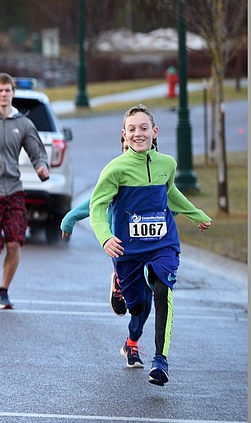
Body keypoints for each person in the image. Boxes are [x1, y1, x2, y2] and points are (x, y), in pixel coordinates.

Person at [89, 104, 211, 386]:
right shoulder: (115, 169)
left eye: (144, 128)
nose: (138, 133)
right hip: (128, 248)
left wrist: (196, 215)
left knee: (161, 288)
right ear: (124, 135)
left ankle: (161, 361)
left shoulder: (167, 164)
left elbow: (171, 193)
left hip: (162, 243)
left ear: (155, 132)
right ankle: (121, 288)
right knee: (138, 305)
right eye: (132, 129)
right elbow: (97, 206)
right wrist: (105, 237)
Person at [0, 72, 50, 310]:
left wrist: (41, 166)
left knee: (15, 242)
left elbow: (37, 151)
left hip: (14, 190)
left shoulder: (23, 123)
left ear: (13, 93)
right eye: (0, 90)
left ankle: (3, 291)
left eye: (8, 91)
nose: (4, 95)